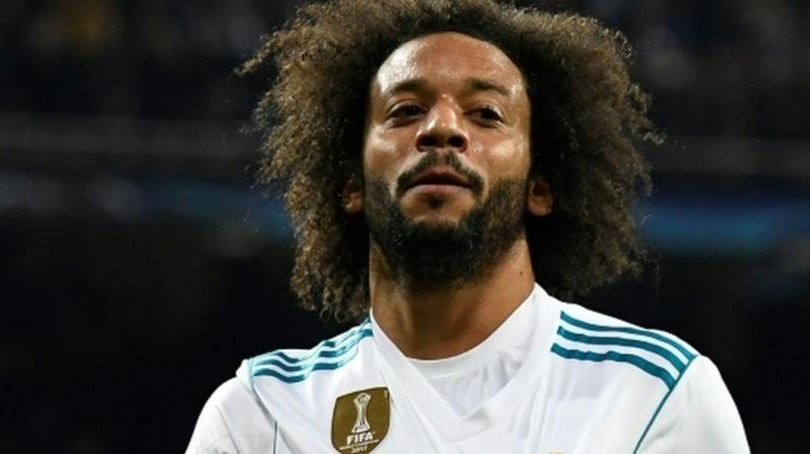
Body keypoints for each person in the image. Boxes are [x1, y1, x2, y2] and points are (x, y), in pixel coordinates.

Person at [186, 0, 750, 452]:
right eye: (405, 111)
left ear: (540, 186)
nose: (442, 127)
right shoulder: (261, 414)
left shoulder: (654, 396)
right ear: (351, 183)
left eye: (486, 115)